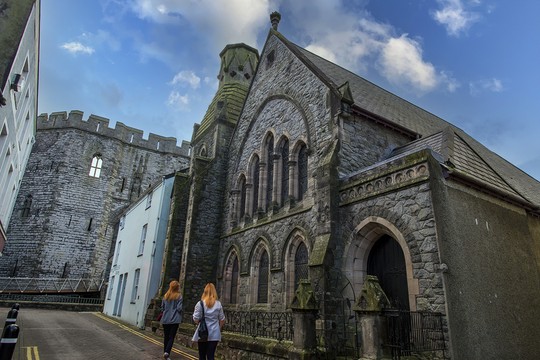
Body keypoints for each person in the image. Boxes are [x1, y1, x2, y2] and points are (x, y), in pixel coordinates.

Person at [192, 283, 225, 360]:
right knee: (211, 356)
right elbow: (222, 319)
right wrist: (218, 328)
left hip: (202, 333)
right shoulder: (218, 304)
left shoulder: (200, 304)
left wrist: (199, 323)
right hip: (214, 333)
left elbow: (195, 319)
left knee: (202, 355)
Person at [161, 280, 183, 359]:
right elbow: (179, 308)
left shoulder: (165, 295)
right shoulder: (179, 296)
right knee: (171, 337)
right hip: (175, 320)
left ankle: (165, 353)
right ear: (177, 287)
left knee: (166, 337)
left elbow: (162, 307)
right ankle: (167, 352)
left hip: (165, 319)